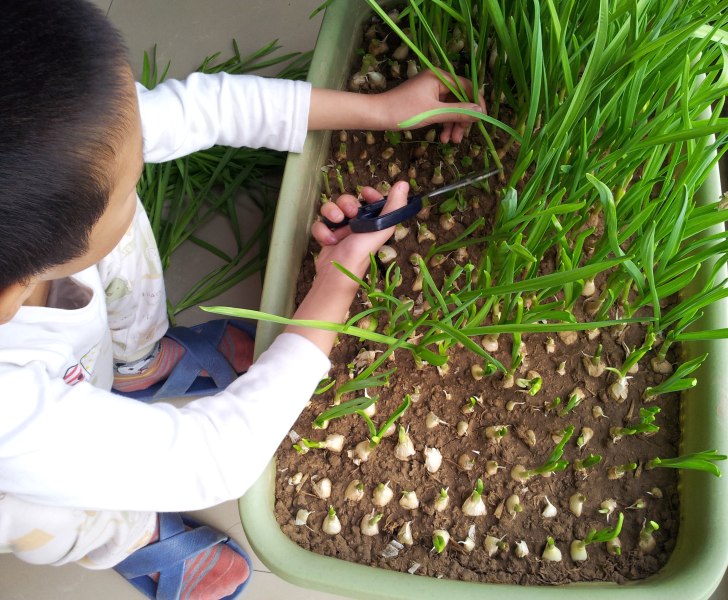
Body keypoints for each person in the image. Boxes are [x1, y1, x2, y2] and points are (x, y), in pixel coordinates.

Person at [0, 1, 484, 598]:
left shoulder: (44, 146)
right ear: (12, 295)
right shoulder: (10, 412)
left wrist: (379, 110)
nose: (142, 171)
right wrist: (336, 280)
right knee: (51, 510)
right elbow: (213, 458)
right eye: (130, 186)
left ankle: (137, 366)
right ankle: (129, 536)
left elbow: (202, 108)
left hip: (58, 304)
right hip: (20, 480)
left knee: (121, 265)